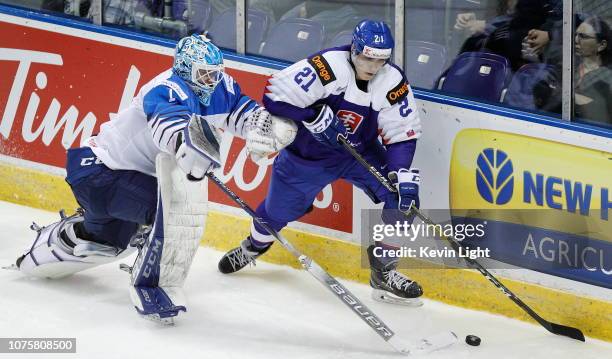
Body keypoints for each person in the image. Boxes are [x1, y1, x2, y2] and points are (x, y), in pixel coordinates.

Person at [13, 34, 288, 323]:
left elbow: (242, 113)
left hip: (116, 176)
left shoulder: (221, 87)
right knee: (175, 208)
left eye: (215, 73)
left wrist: (267, 126)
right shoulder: (166, 89)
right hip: (102, 174)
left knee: (109, 242)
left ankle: (59, 241)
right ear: (184, 69)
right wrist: (188, 146)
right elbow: (168, 127)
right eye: (204, 74)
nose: (211, 80)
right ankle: (153, 287)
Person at [218, 20, 424, 305]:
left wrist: (400, 171)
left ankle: (384, 271)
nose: (373, 67)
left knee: (403, 199)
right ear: (354, 49)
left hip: (359, 154)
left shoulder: (392, 81)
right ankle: (253, 246)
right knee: (273, 215)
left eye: (380, 60)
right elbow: (274, 97)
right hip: (307, 158)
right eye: (367, 58)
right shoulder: (326, 67)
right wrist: (312, 115)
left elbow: (402, 134)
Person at [574, 15, 612, 125]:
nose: (576, 40)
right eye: (576, 35)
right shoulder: (569, 67)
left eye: (583, 36)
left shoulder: (607, 77)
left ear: (601, 45)